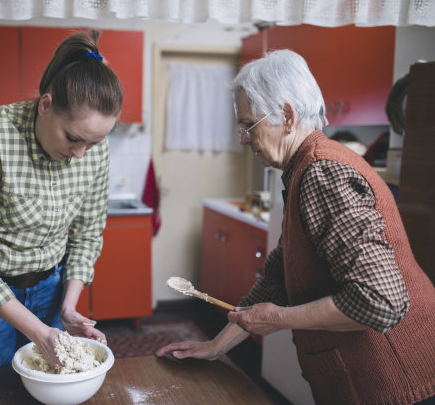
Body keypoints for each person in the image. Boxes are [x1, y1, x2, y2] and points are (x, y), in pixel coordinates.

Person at [156, 49, 435, 405]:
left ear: (287, 115)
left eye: (248, 125)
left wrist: (280, 318)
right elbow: (277, 277)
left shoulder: (323, 172)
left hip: (396, 384)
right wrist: (216, 346)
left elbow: (381, 300)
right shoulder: (305, 167)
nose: (243, 138)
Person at [0, 30, 123, 371]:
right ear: (46, 105)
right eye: (73, 138)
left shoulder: (92, 148)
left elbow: (86, 234)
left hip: (49, 287)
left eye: (93, 144)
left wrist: (68, 307)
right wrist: (40, 332)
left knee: (47, 385)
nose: (81, 154)